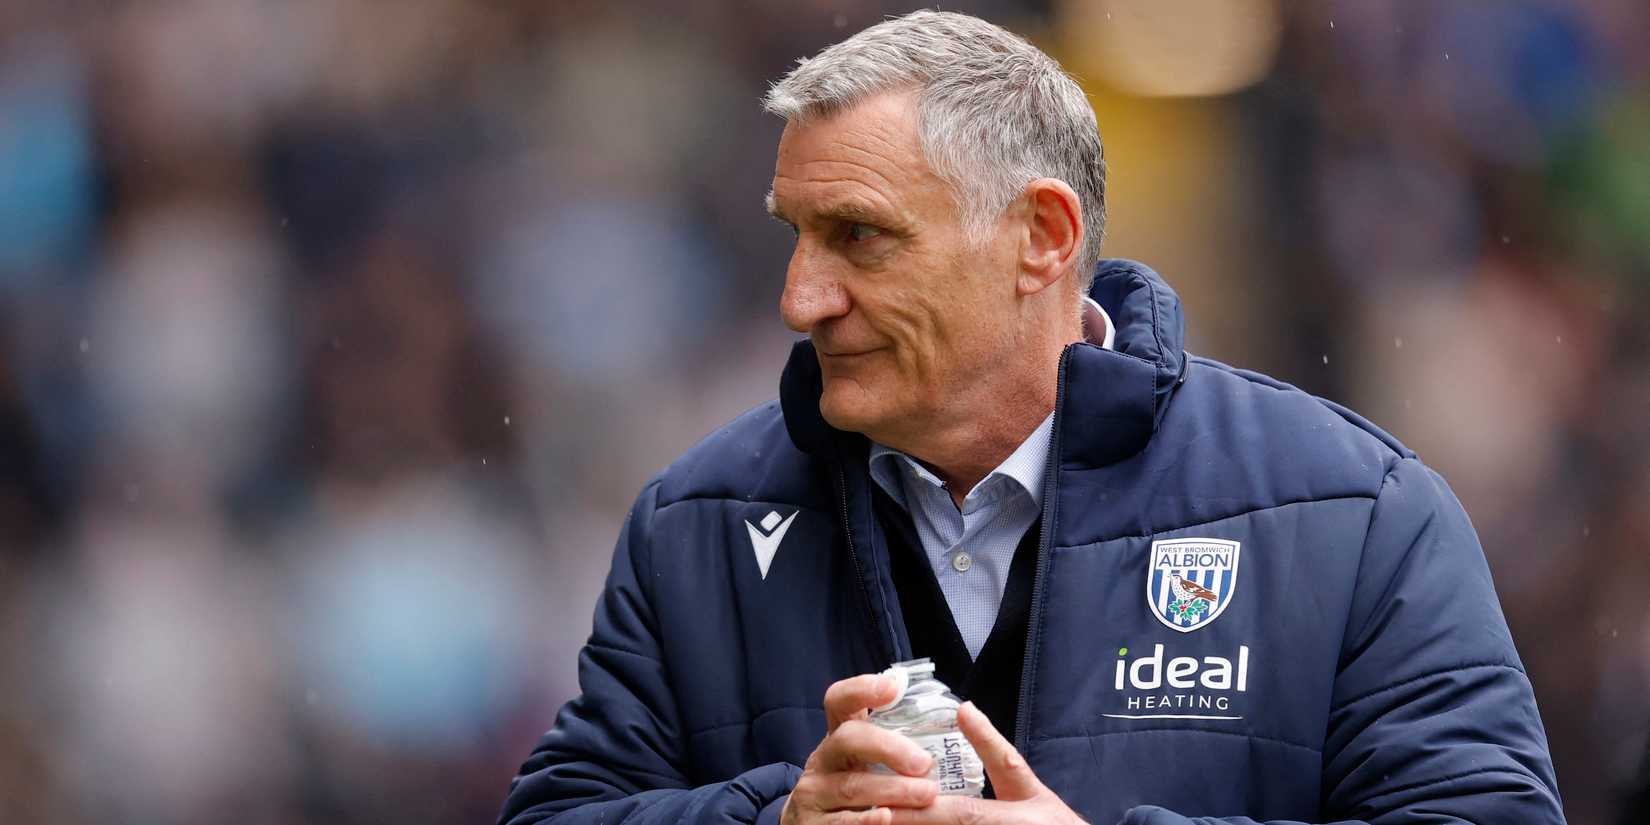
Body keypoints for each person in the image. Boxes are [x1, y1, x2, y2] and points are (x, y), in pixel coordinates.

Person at [499, 11, 1564, 825]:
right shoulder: (699, 527)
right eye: (796, 234)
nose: (800, 297)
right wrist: (775, 817)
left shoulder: (1357, 512)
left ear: (1042, 238)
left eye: (859, 237)